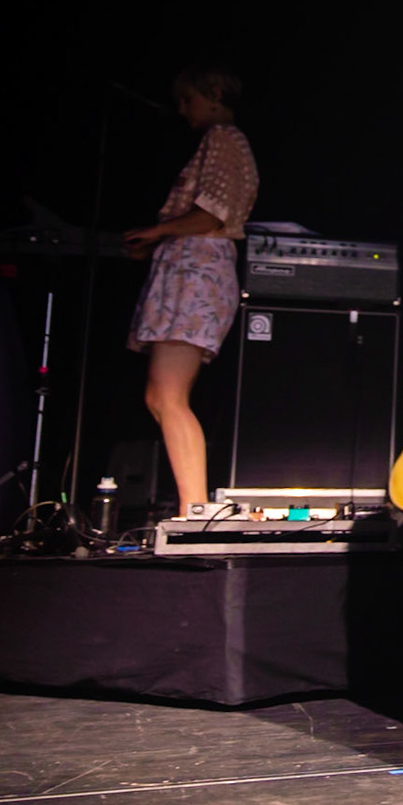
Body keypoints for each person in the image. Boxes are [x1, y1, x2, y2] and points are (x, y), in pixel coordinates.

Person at [123, 64, 258, 517]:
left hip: (197, 272)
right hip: (188, 269)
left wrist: (157, 231)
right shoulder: (220, 141)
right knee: (161, 396)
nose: (183, 110)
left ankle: (195, 510)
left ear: (215, 94)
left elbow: (213, 214)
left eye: (189, 99)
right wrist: (155, 242)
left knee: (168, 395)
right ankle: (194, 508)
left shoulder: (224, 139)